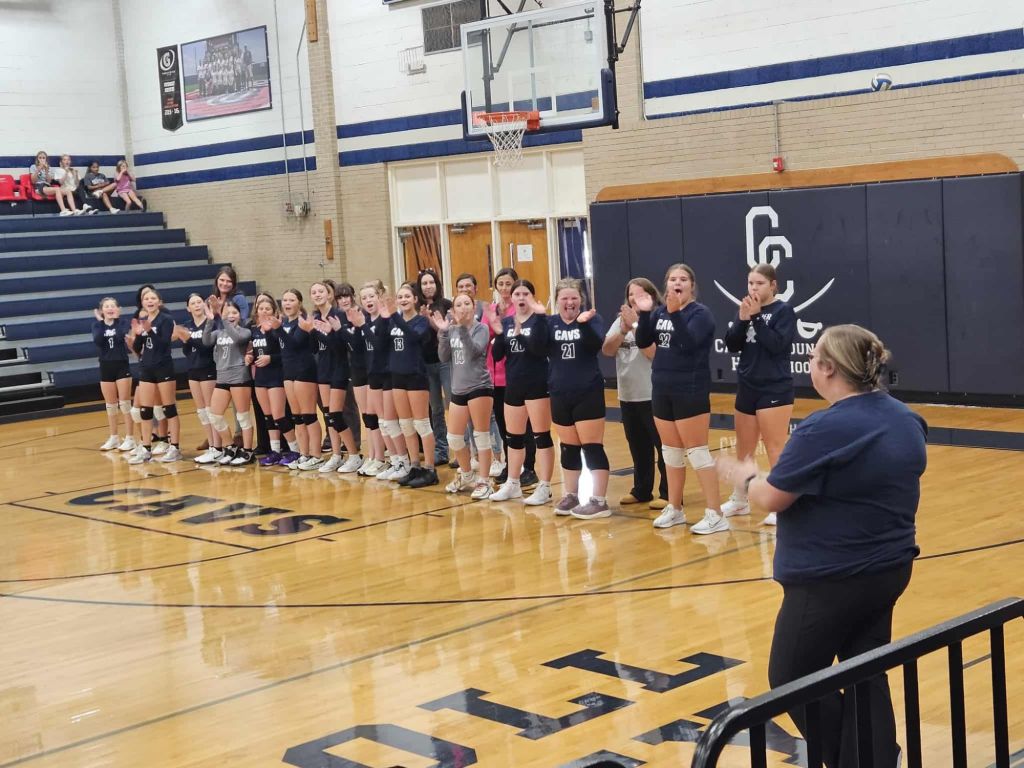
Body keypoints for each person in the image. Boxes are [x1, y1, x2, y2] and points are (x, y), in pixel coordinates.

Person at [717, 325, 926, 768]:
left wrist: (746, 477)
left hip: (832, 578)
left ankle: (851, 761)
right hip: (889, 569)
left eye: (813, 358)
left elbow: (772, 497)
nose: (810, 364)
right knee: (866, 670)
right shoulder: (905, 418)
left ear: (828, 369)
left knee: (791, 675)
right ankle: (877, 759)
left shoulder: (824, 428)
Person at [635, 263, 726, 534]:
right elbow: (643, 341)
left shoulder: (701, 314)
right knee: (671, 452)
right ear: (666, 284)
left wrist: (675, 314)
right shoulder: (660, 312)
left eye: (683, 279)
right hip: (662, 388)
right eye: (673, 279)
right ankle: (674, 508)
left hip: (690, 389)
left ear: (692, 285)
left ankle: (716, 513)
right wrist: (644, 313)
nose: (678, 283)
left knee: (697, 452)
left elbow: (688, 344)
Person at [722, 263, 796, 526]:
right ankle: (740, 499)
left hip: (774, 387)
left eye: (759, 283)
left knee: (775, 448)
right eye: (750, 283)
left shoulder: (783, 311)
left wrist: (755, 318)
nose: (753, 288)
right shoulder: (746, 308)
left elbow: (778, 345)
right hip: (747, 385)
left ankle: (780, 505)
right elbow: (732, 344)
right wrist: (742, 320)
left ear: (773, 285)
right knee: (744, 449)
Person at [543, 278, 610, 518]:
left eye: (574, 298)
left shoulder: (592, 320)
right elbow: (537, 347)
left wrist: (583, 324)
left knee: (592, 447)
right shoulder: (550, 323)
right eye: (564, 298)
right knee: (568, 448)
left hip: (588, 392)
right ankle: (571, 495)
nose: (569, 302)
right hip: (559, 393)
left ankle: (599, 501)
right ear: (557, 301)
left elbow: (596, 344)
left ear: (581, 300)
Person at [602, 278, 669, 513]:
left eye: (640, 294)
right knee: (638, 446)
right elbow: (607, 350)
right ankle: (641, 489)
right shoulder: (620, 321)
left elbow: (654, 354)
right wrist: (623, 329)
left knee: (663, 447)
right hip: (628, 395)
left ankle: (668, 493)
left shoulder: (659, 319)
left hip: (652, 394)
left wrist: (636, 327)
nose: (634, 298)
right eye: (631, 294)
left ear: (652, 296)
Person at [488, 279, 554, 506]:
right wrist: (499, 334)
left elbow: (540, 349)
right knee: (513, 438)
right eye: (517, 294)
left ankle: (545, 486)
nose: (521, 297)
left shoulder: (541, 321)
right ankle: (513, 483)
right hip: (513, 385)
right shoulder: (506, 322)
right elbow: (498, 355)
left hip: (537, 385)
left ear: (532, 297)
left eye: (526, 293)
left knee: (541, 436)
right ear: (512, 299)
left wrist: (520, 334)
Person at [434, 292, 494, 499]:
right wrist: (443, 333)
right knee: (454, 437)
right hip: (458, 389)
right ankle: (467, 475)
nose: (463, 308)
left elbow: (474, 352)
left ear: (473, 306)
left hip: (479, 387)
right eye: (458, 305)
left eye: (467, 303)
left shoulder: (481, 328)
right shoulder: (451, 330)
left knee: (481, 436)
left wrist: (460, 329)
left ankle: (484, 481)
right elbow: (443, 357)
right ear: (453, 310)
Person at [383, 283, 438, 488]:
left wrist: (394, 316)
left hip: (416, 377)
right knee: (406, 424)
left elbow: (414, 337)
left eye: (407, 296)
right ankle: (414, 466)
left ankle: (430, 469)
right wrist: (385, 319)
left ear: (415, 299)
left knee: (421, 423)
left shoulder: (421, 321)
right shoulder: (392, 321)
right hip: (397, 376)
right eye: (400, 297)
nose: (403, 300)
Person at [454, 272, 504, 472]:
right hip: (463, 374)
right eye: (461, 287)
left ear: (475, 289)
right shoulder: (455, 316)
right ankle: (474, 457)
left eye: (468, 286)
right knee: (468, 422)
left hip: (484, 371)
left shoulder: (484, 311)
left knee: (489, 420)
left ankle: (497, 458)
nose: (465, 289)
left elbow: (483, 342)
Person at [310, 280, 362, 474]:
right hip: (323, 369)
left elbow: (342, 346)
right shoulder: (315, 317)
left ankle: (354, 455)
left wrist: (328, 333)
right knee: (328, 416)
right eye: (314, 292)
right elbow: (314, 348)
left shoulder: (338, 314)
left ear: (328, 294)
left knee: (336, 415)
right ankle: (336, 455)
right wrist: (310, 332)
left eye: (321, 291)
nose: (317, 294)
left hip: (339, 369)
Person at [127, 287, 180, 464]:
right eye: (146, 299)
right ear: (142, 303)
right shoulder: (144, 320)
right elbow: (138, 349)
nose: (149, 301)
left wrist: (149, 331)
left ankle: (174, 447)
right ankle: (146, 449)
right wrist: (137, 336)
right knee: (145, 410)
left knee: (169, 408)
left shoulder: (166, 319)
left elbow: (164, 344)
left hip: (163, 367)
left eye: (152, 298)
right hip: (146, 368)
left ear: (159, 302)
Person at [248, 293, 300, 467]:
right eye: (261, 308)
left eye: (267, 309)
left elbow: (284, 353)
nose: (264, 311)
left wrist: (271, 358)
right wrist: (249, 357)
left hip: (276, 376)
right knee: (268, 417)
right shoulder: (254, 330)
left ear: (274, 311)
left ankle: (295, 450)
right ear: (257, 311)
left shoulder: (278, 328)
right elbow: (254, 351)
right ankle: (275, 451)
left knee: (279, 416)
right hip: (260, 378)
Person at [202, 296, 255, 465]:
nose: (230, 315)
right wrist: (210, 320)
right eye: (227, 312)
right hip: (222, 377)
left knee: (243, 416)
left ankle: (248, 451)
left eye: (234, 312)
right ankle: (230, 447)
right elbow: (206, 341)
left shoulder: (244, 331)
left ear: (240, 315)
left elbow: (237, 338)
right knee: (215, 415)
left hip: (239, 376)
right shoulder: (219, 333)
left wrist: (222, 316)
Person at [276, 288, 323, 470]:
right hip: (288, 372)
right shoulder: (284, 323)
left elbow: (294, 345)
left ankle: (316, 455)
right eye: (285, 300)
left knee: (308, 415)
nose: (287, 303)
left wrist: (278, 330)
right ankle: (303, 454)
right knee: (297, 417)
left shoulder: (302, 322)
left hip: (304, 371)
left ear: (299, 303)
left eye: (291, 300)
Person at [175, 294, 220, 464]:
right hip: (193, 370)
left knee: (211, 410)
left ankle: (217, 447)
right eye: (193, 303)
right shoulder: (187, 326)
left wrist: (189, 340)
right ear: (188, 308)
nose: (196, 305)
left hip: (208, 368)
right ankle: (211, 446)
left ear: (204, 304)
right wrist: (185, 341)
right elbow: (187, 351)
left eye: (199, 302)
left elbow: (207, 347)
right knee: (202, 412)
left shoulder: (211, 323)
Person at [349, 282, 388, 476]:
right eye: (364, 298)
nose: (368, 300)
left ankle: (382, 458)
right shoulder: (365, 321)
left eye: (371, 296)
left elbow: (379, 346)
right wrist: (357, 327)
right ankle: (373, 456)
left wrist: (362, 326)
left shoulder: (383, 320)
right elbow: (357, 348)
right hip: (368, 373)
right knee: (369, 418)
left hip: (384, 375)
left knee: (382, 419)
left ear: (379, 297)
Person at [417, 268, 453, 465]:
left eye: (431, 282)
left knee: (452, 405)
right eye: (424, 283)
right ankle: (441, 449)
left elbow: (443, 332)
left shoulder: (445, 305)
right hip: (426, 363)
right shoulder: (416, 306)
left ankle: (462, 448)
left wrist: (428, 319)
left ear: (437, 284)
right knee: (436, 409)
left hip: (444, 362)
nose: (428, 286)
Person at [92, 298, 133, 451]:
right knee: (110, 405)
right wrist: (102, 322)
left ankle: (130, 438)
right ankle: (114, 437)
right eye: (106, 306)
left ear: (118, 309)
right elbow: (98, 340)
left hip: (121, 365)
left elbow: (120, 336)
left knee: (125, 403)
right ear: (101, 310)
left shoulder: (123, 323)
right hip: (105, 365)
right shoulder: (97, 325)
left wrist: (114, 321)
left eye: (113, 306)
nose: (110, 308)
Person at [30, 151, 77, 216]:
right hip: (39, 186)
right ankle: (63, 210)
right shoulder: (33, 166)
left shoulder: (49, 168)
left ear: (46, 159)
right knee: (57, 189)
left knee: (68, 191)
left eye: (43, 158)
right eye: (40, 158)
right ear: (37, 159)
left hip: (47, 186)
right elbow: (33, 181)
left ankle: (74, 210)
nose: (42, 159)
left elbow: (49, 181)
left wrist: (46, 171)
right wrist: (38, 169)